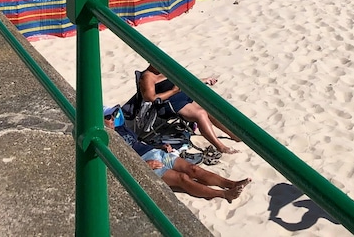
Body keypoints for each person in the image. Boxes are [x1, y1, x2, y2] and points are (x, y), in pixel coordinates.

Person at [106, 108, 250, 202]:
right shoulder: (104, 141)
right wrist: (144, 166)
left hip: (155, 152)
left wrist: (159, 146)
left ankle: (231, 184)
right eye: (108, 117)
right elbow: (116, 165)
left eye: (113, 115)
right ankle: (224, 195)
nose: (113, 119)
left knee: (194, 169)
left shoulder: (121, 129)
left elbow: (138, 142)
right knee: (183, 179)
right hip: (144, 162)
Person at [138, 65, 238, 154]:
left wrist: (204, 80)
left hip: (182, 96)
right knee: (201, 114)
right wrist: (173, 91)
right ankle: (220, 146)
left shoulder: (165, 67)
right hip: (169, 103)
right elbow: (150, 98)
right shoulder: (148, 77)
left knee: (209, 108)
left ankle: (232, 135)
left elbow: (183, 81)